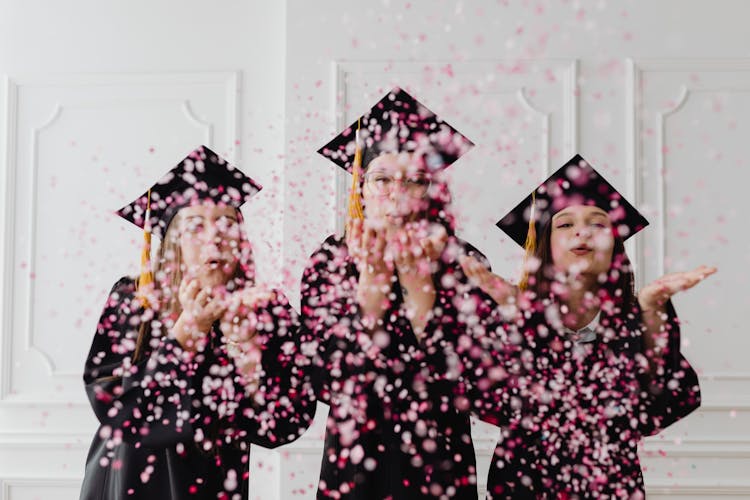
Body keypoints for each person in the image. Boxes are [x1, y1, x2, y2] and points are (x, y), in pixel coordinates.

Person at [461, 155, 713, 499]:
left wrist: (652, 311)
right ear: (545, 245)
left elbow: (663, 403)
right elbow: (486, 399)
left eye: (598, 223)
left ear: (615, 247)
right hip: (521, 486)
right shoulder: (510, 313)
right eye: (565, 224)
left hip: (610, 488)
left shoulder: (636, 321)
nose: (582, 231)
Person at [79, 145, 315, 500]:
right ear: (173, 240)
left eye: (226, 223)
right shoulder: (135, 299)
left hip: (216, 483)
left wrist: (247, 350)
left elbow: (282, 425)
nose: (214, 237)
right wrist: (188, 331)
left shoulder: (266, 310)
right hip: (130, 480)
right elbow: (115, 409)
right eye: (195, 226)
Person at [301, 87, 493, 499]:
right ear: (361, 187)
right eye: (383, 178)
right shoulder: (330, 261)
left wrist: (418, 288)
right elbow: (321, 378)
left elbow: (476, 378)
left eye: (415, 180)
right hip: (355, 455)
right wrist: (370, 289)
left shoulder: (463, 261)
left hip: (440, 453)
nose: (397, 191)